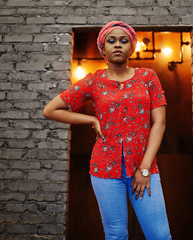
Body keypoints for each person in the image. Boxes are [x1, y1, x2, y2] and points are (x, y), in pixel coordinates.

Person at [43, 21, 172, 240]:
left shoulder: (148, 77)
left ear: (132, 47)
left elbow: (159, 123)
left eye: (124, 41)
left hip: (143, 167)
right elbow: (50, 110)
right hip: (104, 169)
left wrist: (145, 169)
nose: (118, 45)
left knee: (160, 235)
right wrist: (91, 119)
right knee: (115, 235)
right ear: (103, 49)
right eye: (111, 41)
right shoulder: (94, 81)